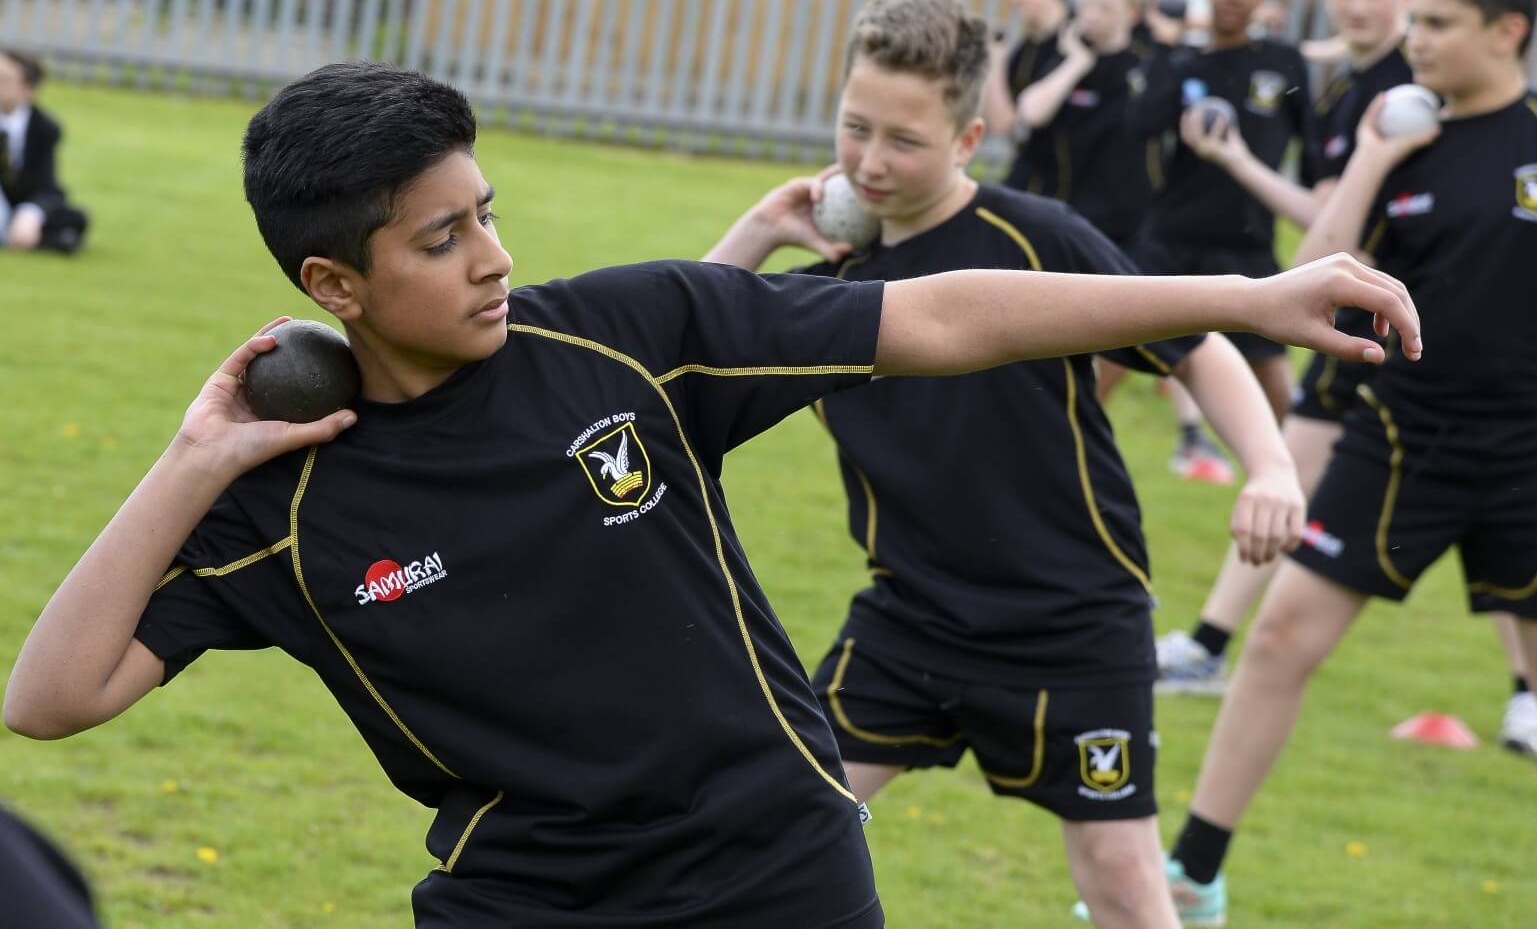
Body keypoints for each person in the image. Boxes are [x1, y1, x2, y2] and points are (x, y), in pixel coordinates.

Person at [3, 62, 1418, 928]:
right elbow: (51, 695)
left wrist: (1249, 295)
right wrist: (192, 456)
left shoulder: (625, 331)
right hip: (527, 900)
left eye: (488, 211)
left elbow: (931, 317)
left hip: (779, 870)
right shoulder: (288, 496)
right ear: (333, 285)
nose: (493, 253)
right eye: (444, 238)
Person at [706, 0, 1307, 929]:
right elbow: (672, 355)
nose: (868, 163)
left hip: (1073, 624)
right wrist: (757, 232)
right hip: (909, 616)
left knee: (1122, 880)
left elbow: (1200, 338)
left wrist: (1272, 466)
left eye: (903, 141)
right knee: (779, 826)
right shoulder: (827, 285)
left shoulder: (1038, 238)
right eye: (854, 127)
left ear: (969, 139)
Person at [1165, 0, 1537, 926]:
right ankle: (1192, 874)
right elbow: (1311, 266)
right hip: (1405, 436)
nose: (1416, 40)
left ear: (1508, 30)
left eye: (1439, 23)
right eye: (1415, 18)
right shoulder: (1401, 133)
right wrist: (1370, 158)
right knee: (1277, 637)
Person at [1126, 0, 1325, 481]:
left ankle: (1301, 496)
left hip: (1246, 245)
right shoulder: (1186, 62)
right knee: (1106, 352)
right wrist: (1170, 55)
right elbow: (1141, 125)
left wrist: (1324, 197)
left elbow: (1312, 150)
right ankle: (1052, 459)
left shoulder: (1281, 63)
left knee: (1277, 388)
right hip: (1170, 239)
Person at [1010, 0, 1158, 249]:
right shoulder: (1065, 52)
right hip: (1062, 206)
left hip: (1122, 218)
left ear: (1131, 14)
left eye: (1105, 7)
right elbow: (1030, 112)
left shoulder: (1146, 63)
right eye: (1087, 2)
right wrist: (1076, 63)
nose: (1091, 14)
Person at [983, 0, 1072, 197]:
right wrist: (996, 61)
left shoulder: (1081, 41)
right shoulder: (1023, 53)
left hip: (1082, 181)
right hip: (1033, 173)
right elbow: (1002, 123)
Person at [0, 49, 88, 254]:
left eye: (5, 80)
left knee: (75, 218)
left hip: (21, 199)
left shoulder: (44, 129)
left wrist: (30, 214)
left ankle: (23, 233)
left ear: (30, 90)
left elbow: (47, 185)